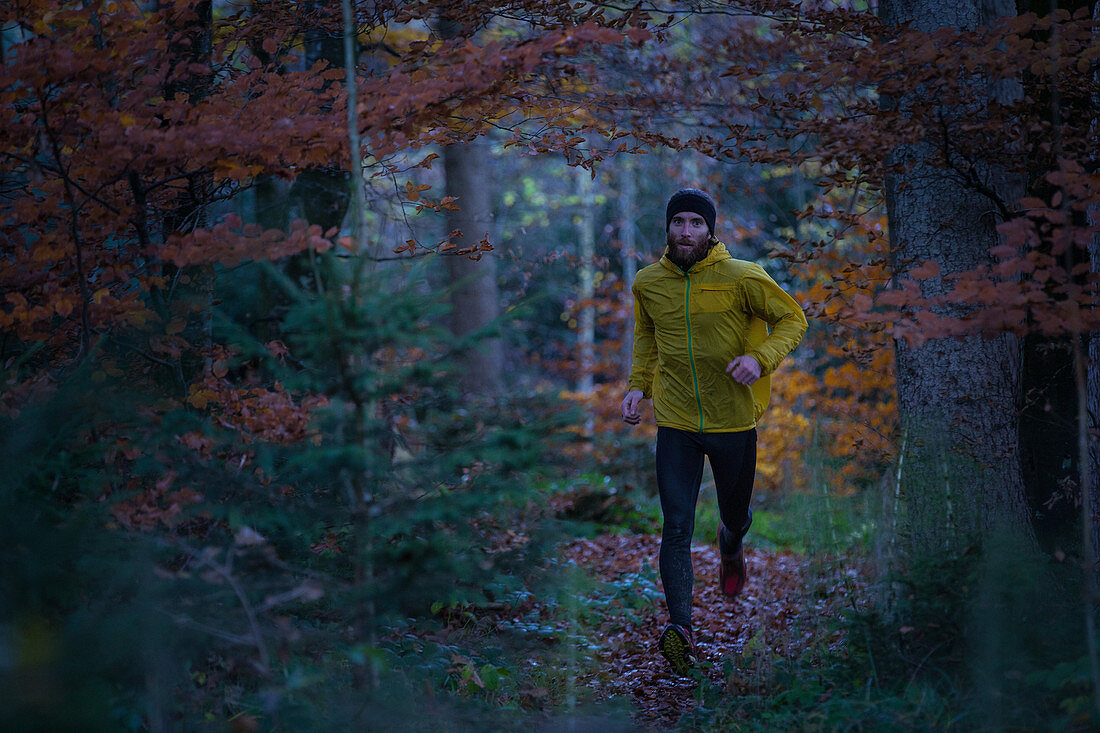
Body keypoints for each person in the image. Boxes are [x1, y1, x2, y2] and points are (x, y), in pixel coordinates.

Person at [620, 188, 807, 676]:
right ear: (667, 227)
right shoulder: (648, 283)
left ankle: (731, 543)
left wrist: (759, 358)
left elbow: (794, 318)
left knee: (734, 514)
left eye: (695, 223)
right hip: (676, 421)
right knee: (676, 525)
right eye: (678, 221)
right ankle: (680, 629)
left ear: (710, 229)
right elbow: (646, 337)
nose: (686, 231)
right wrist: (638, 387)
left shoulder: (742, 276)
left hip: (734, 421)